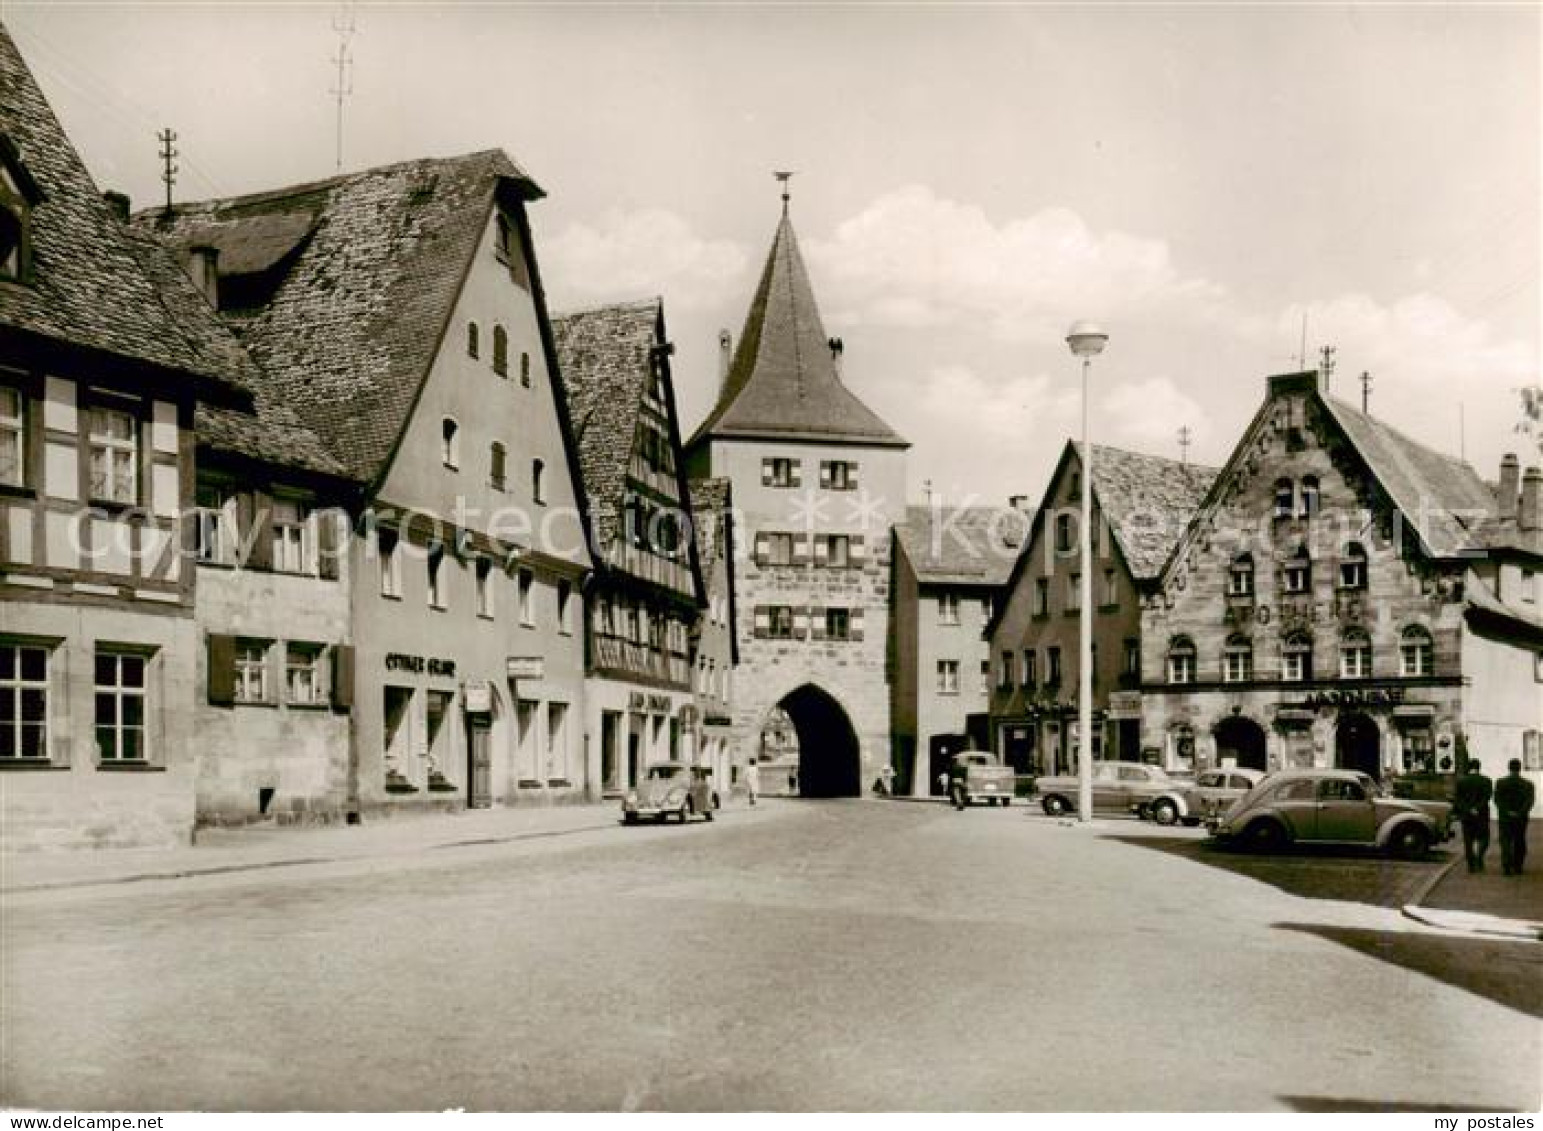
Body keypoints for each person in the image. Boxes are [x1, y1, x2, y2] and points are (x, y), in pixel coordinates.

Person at [1493, 758, 1536, 876]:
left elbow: (1497, 800)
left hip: (1505, 818)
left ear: (1509, 768)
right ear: (1520, 768)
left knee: (1505, 841)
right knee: (1520, 840)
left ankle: (1506, 866)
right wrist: (1520, 812)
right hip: (1521, 818)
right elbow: (1530, 801)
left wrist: (1507, 811)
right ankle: (1518, 866)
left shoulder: (1500, 782)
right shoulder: (1528, 784)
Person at [1451, 758, 1493, 873]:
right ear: (1479, 767)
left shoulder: (1461, 781)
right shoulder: (1487, 781)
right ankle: (1480, 857)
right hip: (1482, 814)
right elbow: (1487, 797)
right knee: (1484, 838)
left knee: (1468, 840)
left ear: (1469, 768)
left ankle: (1471, 865)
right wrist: (1477, 808)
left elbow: (1457, 799)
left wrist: (1468, 809)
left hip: (1466, 815)